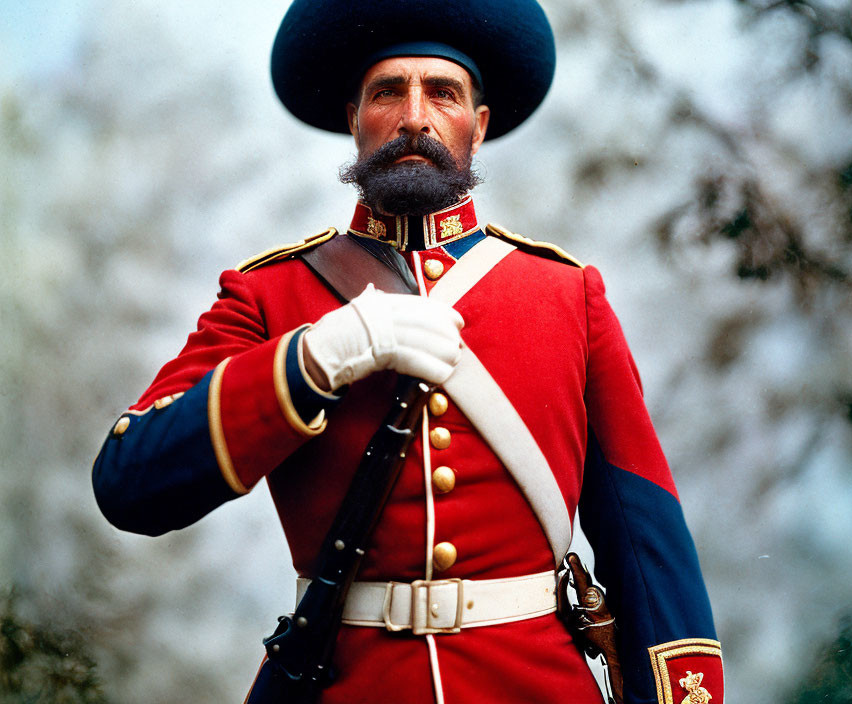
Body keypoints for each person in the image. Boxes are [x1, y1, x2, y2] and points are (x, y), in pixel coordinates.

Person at [92, 1, 724, 702]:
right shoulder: (271, 296)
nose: (415, 116)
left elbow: (645, 540)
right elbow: (129, 482)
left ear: (477, 127)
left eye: (443, 93)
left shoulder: (568, 296)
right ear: (353, 119)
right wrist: (309, 361)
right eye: (388, 91)